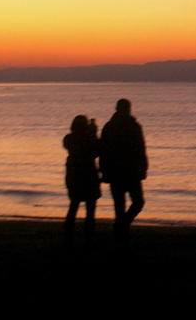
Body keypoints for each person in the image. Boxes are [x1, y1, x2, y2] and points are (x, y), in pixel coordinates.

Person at [100, 98, 148, 246]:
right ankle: (122, 233)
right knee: (134, 202)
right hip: (128, 170)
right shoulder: (131, 126)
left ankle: (121, 229)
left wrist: (104, 170)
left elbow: (104, 150)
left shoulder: (110, 126)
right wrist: (143, 166)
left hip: (120, 171)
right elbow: (140, 148)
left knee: (123, 206)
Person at [63, 114, 101, 247]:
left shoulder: (69, 139)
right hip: (88, 176)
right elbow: (95, 151)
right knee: (90, 210)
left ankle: (68, 236)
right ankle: (88, 238)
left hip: (74, 176)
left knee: (73, 206)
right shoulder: (85, 140)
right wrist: (94, 134)